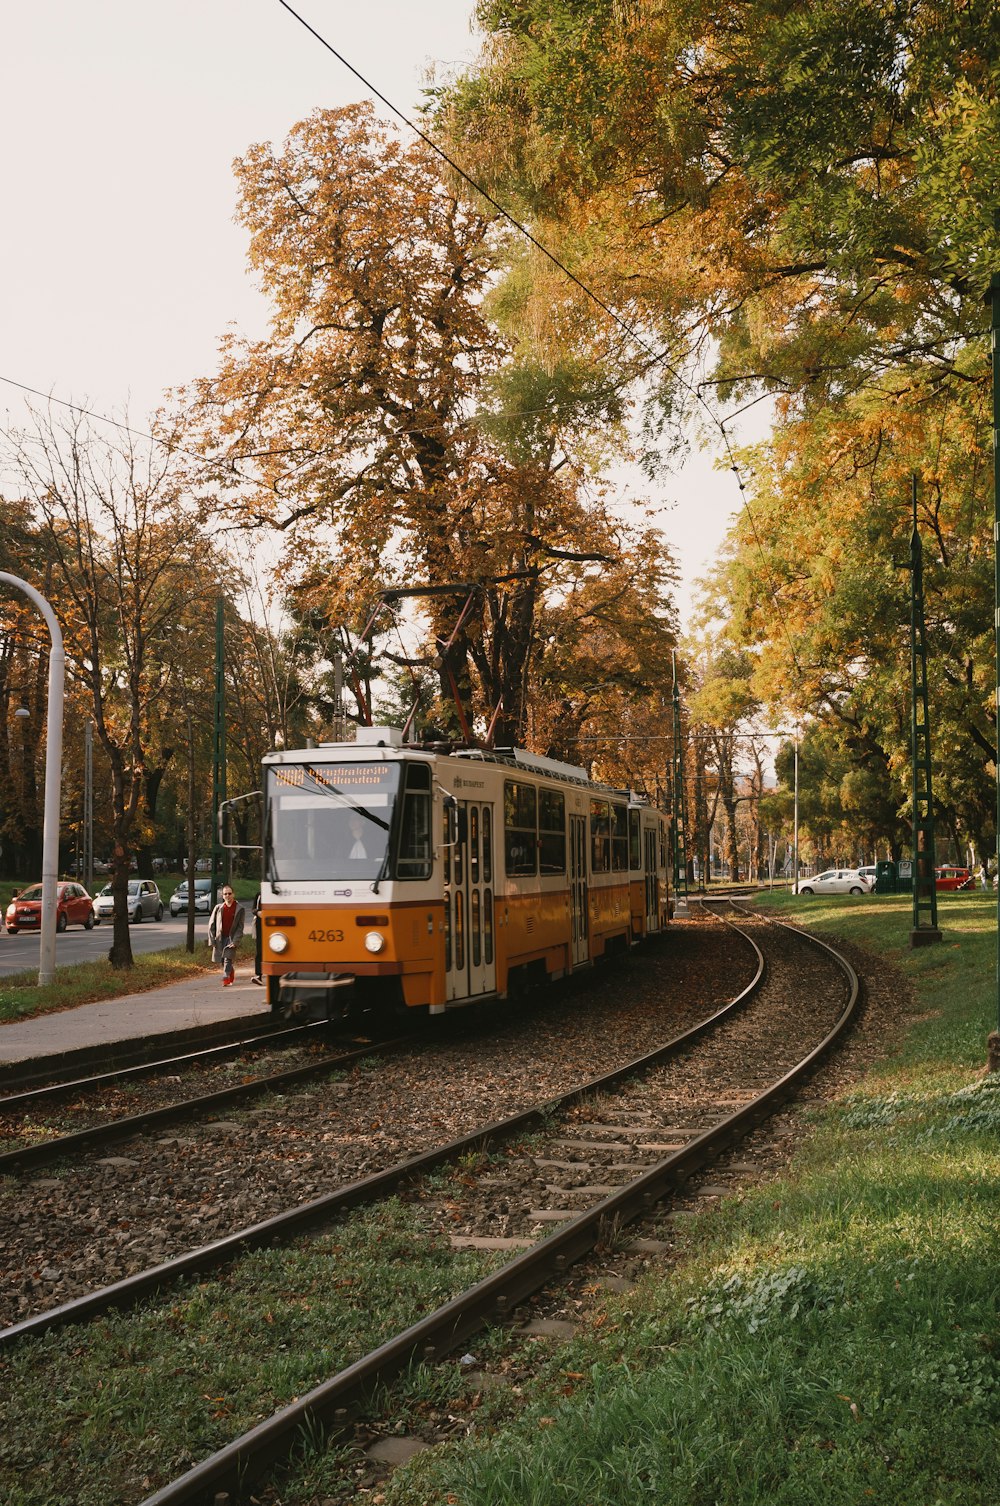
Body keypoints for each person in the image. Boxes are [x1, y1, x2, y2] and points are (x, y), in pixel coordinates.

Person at [208, 884, 245, 987]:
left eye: (229, 893)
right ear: (222, 896)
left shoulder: (240, 909)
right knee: (221, 960)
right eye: (225, 894)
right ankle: (230, 972)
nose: (227, 896)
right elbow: (212, 924)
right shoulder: (218, 908)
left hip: (231, 938)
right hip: (220, 938)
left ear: (233, 894)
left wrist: (235, 941)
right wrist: (212, 940)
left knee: (227, 959)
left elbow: (240, 927)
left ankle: (225, 978)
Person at [251, 891, 263, 984]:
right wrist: (257, 912)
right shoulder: (258, 894)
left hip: (275, 923)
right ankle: (259, 975)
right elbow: (253, 909)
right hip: (260, 925)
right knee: (259, 949)